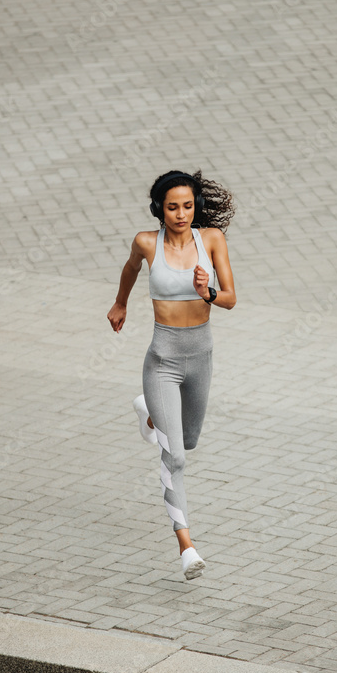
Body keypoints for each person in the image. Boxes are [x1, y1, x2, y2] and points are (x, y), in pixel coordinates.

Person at [107, 169, 236, 579]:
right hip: (162, 359)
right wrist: (120, 304)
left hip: (201, 356)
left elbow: (231, 299)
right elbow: (129, 269)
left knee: (190, 439)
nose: (181, 213)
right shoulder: (147, 242)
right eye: (172, 206)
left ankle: (149, 412)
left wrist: (208, 292)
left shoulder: (211, 239)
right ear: (160, 210)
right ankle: (187, 547)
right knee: (175, 456)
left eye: (187, 205)